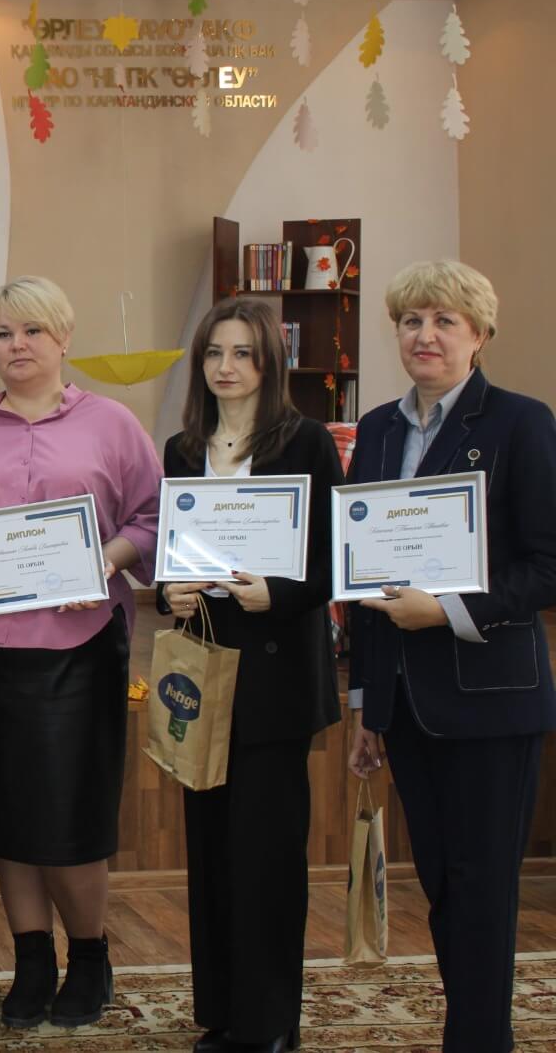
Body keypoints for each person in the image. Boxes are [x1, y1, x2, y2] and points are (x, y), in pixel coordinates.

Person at [0, 276, 160, 1031]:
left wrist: (104, 559)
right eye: (3, 334)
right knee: (7, 817)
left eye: (32, 331)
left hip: (81, 649)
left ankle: (90, 956)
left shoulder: (112, 424)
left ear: (64, 338)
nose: (17, 345)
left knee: (70, 819)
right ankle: (31, 960)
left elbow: (153, 517)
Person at [346, 261, 556, 1052]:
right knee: (439, 884)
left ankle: (477, 1040)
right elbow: (363, 578)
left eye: (443, 321)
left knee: (481, 889)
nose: (424, 336)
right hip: (404, 702)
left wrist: (449, 610)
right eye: (411, 321)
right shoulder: (377, 431)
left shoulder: (520, 423)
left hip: (493, 698)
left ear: (479, 335)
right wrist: (366, 704)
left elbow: (548, 564)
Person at [159, 298, 342, 1053]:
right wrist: (170, 592)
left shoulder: (307, 442)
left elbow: (333, 560)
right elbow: (174, 555)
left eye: (242, 353)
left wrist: (282, 594)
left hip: (275, 682)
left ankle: (269, 1026)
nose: (226, 367)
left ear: (270, 361)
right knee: (212, 857)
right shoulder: (181, 449)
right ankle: (224, 1013)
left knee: (267, 860)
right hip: (203, 678)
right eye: (214, 353)